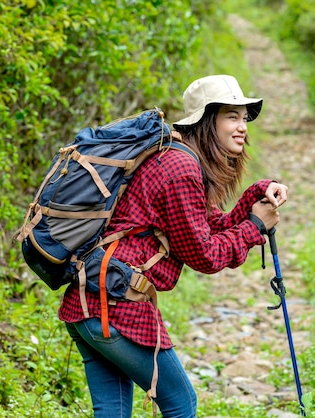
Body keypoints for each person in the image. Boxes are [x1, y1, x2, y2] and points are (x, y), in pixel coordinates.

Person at [58, 74, 288, 418]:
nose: (242, 127)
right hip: (118, 308)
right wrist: (255, 226)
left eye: (244, 118)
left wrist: (257, 192)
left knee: (112, 411)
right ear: (207, 121)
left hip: (88, 302)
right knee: (181, 403)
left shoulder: (172, 156)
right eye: (231, 116)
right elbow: (206, 254)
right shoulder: (181, 168)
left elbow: (209, 226)